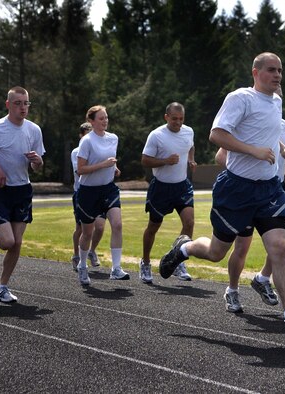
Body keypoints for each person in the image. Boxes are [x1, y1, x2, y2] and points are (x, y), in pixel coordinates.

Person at [158, 52, 285, 339]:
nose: (278, 75)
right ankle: (183, 249)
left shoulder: (276, 101)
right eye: (272, 70)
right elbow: (217, 134)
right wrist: (253, 151)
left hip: (268, 190)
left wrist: (282, 150)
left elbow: (268, 132)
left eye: (280, 70)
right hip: (236, 189)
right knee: (216, 252)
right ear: (255, 72)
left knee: (280, 247)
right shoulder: (240, 98)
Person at [216, 87, 285, 313]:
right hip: (242, 189)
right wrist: (250, 156)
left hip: (272, 190)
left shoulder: (283, 123)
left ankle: (274, 292)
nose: (277, 90)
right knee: (237, 247)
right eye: (273, 75)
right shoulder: (246, 114)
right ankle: (232, 289)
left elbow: (278, 150)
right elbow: (221, 154)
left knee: (283, 241)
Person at [0, 86, 45, 303]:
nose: (23, 108)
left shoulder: (34, 130)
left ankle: (2, 287)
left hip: (22, 190)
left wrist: (38, 162)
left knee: (17, 243)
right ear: (8, 105)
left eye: (26, 103)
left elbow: (37, 167)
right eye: (18, 103)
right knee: (6, 241)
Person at [140, 102, 197, 284]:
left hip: (182, 186)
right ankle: (145, 262)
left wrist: (191, 159)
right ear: (166, 117)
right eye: (174, 119)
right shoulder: (156, 135)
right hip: (161, 188)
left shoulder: (188, 131)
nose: (178, 123)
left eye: (181, 119)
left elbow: (191, 146)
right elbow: (145, 160)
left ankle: (177, 260)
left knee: (189, 223)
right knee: (153, 227)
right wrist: (165, 161)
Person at [75, 105, 129, 285]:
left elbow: (109, 161)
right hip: (88, 191)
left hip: (108, 188)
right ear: (91, 121)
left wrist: (114, 168)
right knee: (88, 233)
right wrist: (103, 165)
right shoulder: (87, 141)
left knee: (118, 224)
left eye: (106, 118)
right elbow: (80, 170)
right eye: (101, 118)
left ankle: (116, 268)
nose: (105, 121)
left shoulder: (113, 138)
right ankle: (82, 265)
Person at [71, 122, 105, 271]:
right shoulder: (76, 152)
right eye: (86, 134)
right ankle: (76, 255)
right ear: (81, 136)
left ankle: (92, 251)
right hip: (82, 192)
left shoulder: (100, 149)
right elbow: (80, 171)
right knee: (82, 229)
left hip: (100, 191)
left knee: (100, 226)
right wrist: (100, 166)